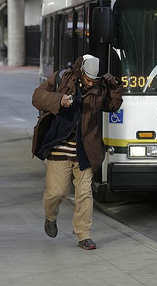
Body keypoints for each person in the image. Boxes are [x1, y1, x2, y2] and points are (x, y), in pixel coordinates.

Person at [31, 54, 123, 250]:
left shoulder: (100, 87)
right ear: (82, 72)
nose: (91, 83)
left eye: (94, 80)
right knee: (56, 193)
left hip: (86, 148)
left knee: (84, 194)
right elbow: (37, 98)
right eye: (88, 79)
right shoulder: (62, 78)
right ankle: (50, 216)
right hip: (59, 146)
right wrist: (59, 100)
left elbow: (113, 106)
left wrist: (114, 88)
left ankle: (84, 234)